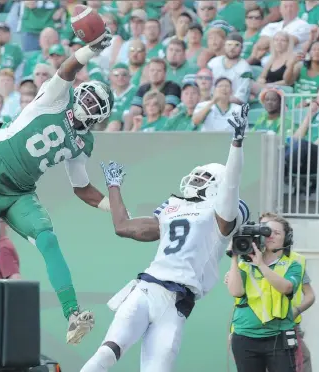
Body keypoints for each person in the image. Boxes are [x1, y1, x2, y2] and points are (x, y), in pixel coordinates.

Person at [0, 28, 115, 372]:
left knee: (48, 238)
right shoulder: (56, 97)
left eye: (96, 107)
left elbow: (83, 188)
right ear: (79, 94)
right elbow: (66, 70)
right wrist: (90, 50)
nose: (88, 106)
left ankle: (73, 314)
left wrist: (114, 206)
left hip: (21, 191)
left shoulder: (83, 143)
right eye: (88, 98)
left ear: (99, 117)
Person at [81, 104, 251, 372]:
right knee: (108, 351)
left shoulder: (219, 215)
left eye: (205, 176)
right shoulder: (174, 205)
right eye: (197, 174)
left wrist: (237, 144)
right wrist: (114, 187)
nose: (196, 179)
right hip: (147, 289)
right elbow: (123, 226)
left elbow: (231, 185)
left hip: (177, 303)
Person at [226, 214, 302, 372]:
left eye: (277, 233)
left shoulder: (292, 265)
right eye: (267, 231)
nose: (270, 236)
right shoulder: (244, 264)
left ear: (286, 239)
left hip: (278, 336)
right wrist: (234, 257)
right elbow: (236, 291)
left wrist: (260, 264)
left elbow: (286, 287)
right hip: (245, 336)